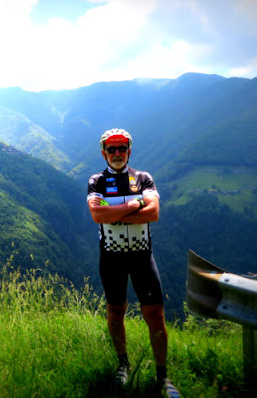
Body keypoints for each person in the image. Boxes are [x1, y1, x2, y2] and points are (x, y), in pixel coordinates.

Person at [87, 128, 178, 395]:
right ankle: (123, 365)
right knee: (115, 312)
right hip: (111, 259)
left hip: (142, 257)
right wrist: (134, 206)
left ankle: (163, 377)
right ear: (104, 153)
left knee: (155, 315)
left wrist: (113, 213)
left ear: (129, 151)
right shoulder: (97, 181)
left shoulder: (143, 178)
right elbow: (97, 215)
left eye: (122, 148)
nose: (117, 153)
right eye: (112, 149)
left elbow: (154, 213)